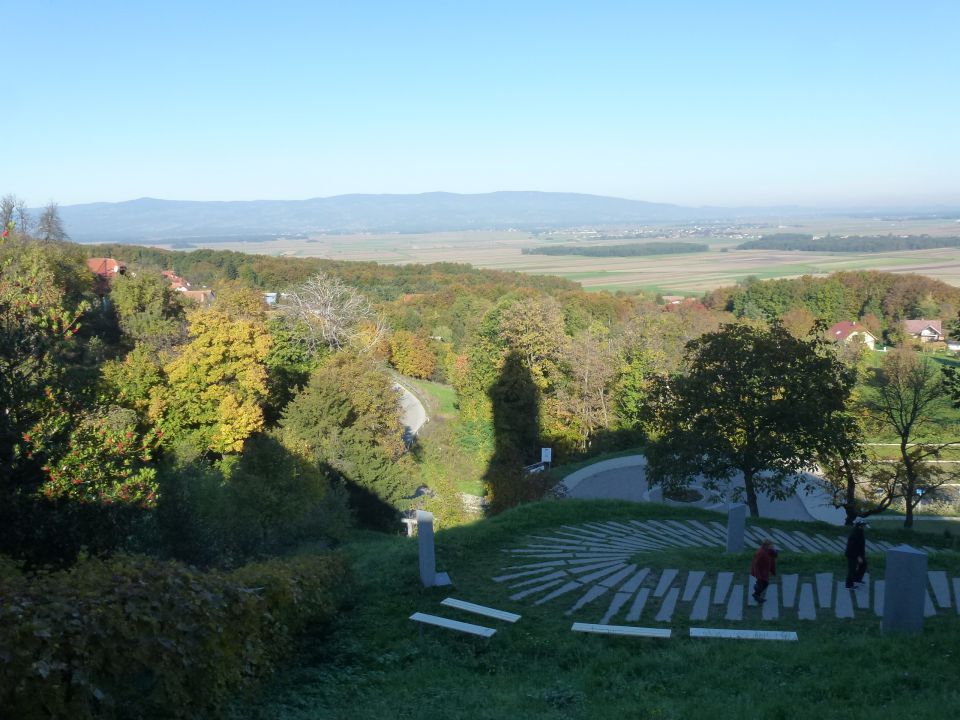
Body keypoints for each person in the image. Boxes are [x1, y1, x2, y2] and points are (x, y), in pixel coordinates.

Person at [750, 539, 778, 603]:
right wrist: (758, 574)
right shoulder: (761, 553)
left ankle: (756, 591)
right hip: (760, 571)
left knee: (764, 583)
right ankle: (756, 595)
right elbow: (756, 564)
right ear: (767, 545)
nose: (772, 546)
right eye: (771, 545)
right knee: (764, 583)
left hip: (764, 571)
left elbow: (774, 555)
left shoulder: (768, 550)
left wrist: (774, 551)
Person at [845, 516, 868, 589]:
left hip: (858, 553)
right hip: (852, 554)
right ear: (860, 525)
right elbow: (853, 546)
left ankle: (857, 579)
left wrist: (861, 555)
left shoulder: (860, 531)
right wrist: (858, 556)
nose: (864, 526)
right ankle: (849, 585)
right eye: (864, 525)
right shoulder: (855, 533)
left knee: (863, 564)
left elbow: (860, 545)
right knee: (852, 569)